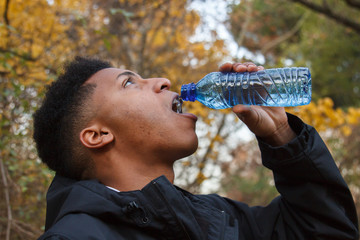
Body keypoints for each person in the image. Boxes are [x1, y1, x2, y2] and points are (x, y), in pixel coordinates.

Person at [33, 56, 359, 240]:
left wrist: (282, 135)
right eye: (129, 83)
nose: (161, 81)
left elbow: (328, 233)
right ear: (98, 135)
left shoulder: (221, 218)